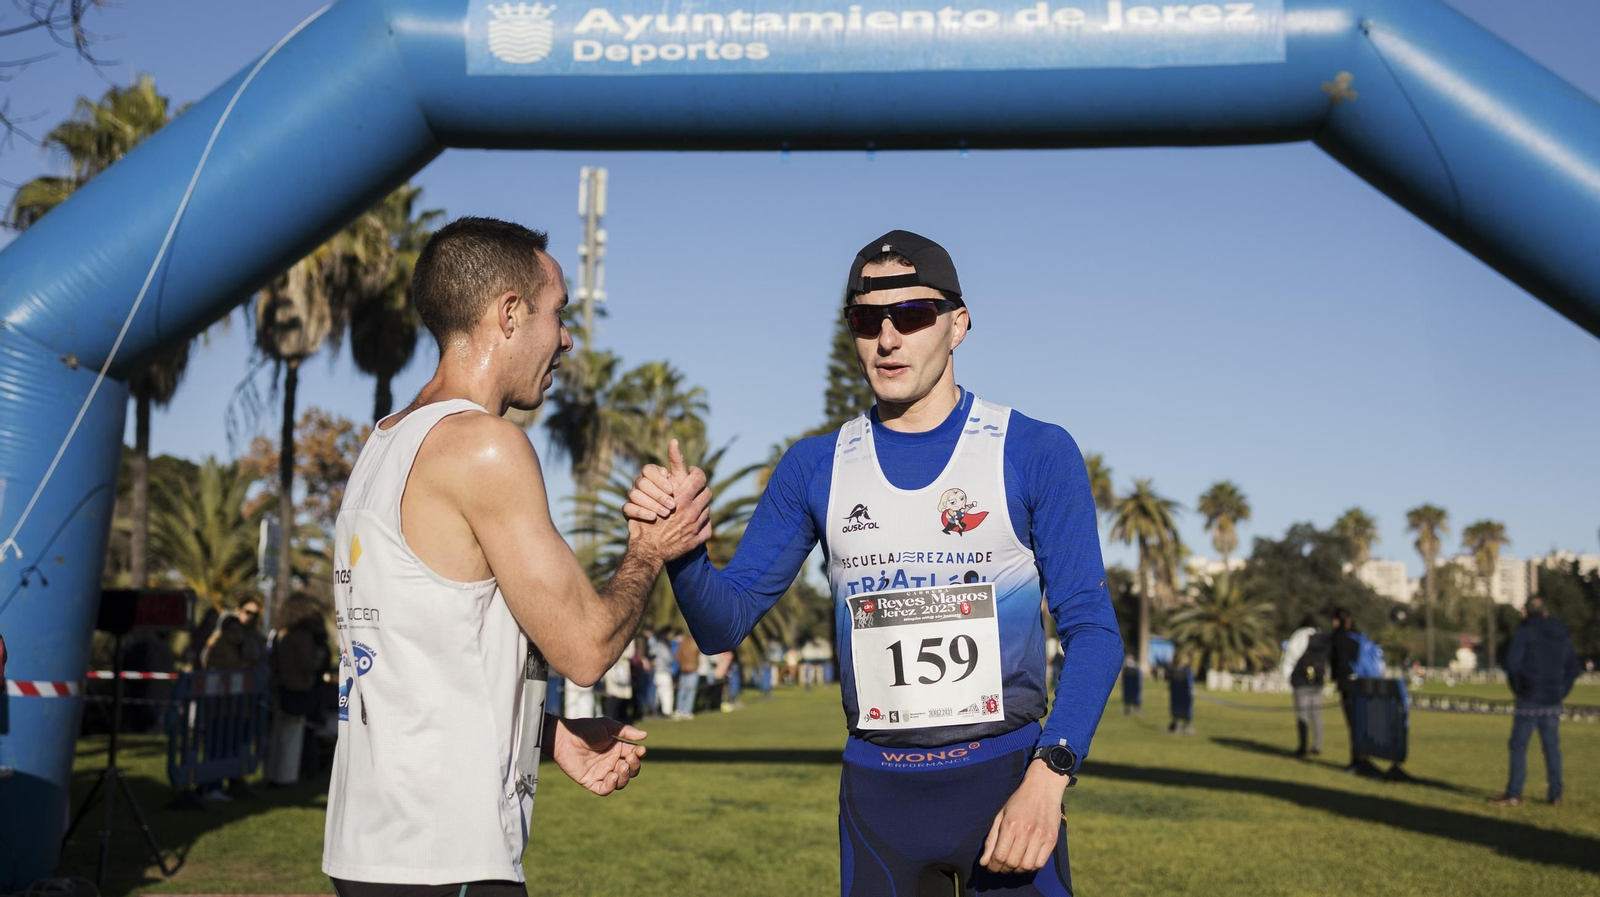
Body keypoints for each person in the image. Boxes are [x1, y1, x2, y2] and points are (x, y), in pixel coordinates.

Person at [623, 230, 1123, 895]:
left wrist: (1050, 771)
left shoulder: (1033, 449)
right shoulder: (815, 465)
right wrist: (681, 547)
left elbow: (1093, 627)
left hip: (1005, 784)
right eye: (866, 319)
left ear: (959, 324)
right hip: (879, 800)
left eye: (912, 315)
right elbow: (723, 622)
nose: (887, 338)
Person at [321, 217, 711, 896]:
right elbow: (586, 648)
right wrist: (649, 548)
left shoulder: (384, 443)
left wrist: (550, 734)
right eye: (557, 314)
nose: (564, 338)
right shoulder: (485, 446)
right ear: (509, 314)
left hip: (370, 851)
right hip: (450, 859)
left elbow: (425, 672)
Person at [1488, 596, 1581, 807]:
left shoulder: (1524, 632)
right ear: (1546, 612)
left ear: (1526, 612)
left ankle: (1514, 793)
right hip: (1553, 699)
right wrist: (1561, 691)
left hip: (1529, 698)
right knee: (1551, 747)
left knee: (1519, 745)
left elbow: (1512, 664)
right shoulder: (1561, 633)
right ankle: (1555, 795)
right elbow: (1574, 668)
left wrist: (1519, 689)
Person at [266, 594, 327, 787]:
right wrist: (319, 658)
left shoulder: (280, 633)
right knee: (292, 737)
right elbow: (307, 665)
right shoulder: (301, 636)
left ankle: (272, 775)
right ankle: (286, 777)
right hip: (298, 688)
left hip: (282, 687)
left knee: (278, 735)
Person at [1328, 607, 1371, 775]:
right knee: (1360, 723)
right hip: (1363, 684)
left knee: (1354, 725)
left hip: (1348, 685)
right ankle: (1362, 758)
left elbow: (1338, 662)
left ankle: (1357, 760)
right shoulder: (1357, 637)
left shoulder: (1339, 637)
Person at [1282, 614, 1326, 757]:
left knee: (1302, 715)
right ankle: (1317, 746)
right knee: (1317, 714)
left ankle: (1303, 746)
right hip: (1317, 682)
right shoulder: (1320, 637)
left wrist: (1287, 675)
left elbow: (1291, 656)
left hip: (1301, 682)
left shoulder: (1299, 635)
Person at [674, 630, 701, 720]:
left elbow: (677, 656)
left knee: (682, 691)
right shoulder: (696, 642)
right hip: (692, 669)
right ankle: (687, 711)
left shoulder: (683, 642)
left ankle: (679, 710)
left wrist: (682, 664)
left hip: (683, 669)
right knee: (690, 691)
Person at [650, 627, 677, 717]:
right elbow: (668, 658)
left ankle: (655, 710)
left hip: (657, 672)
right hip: (663, 671)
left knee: (658, 692)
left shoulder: (655, 645)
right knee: (667, 691)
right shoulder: (663, 646)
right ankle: (667, 711)